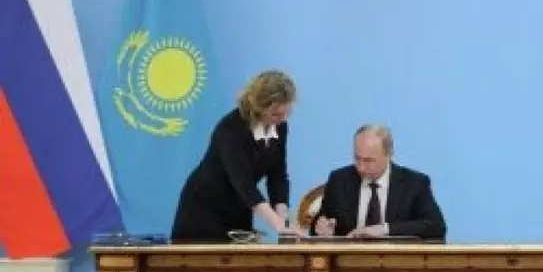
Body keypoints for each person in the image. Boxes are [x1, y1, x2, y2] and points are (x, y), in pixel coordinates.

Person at [170, 70, 302, 241]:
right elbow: (244, 184)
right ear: (259, 107)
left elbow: (278, 176)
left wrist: (284, 221)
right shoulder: (230, 129)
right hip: (204, 210)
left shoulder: (280, 126)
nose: (282, 119)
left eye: (286, 113)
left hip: (240, 207)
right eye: (276, 114)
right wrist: (277, 225)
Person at [311, 124, 446, 240]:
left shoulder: (414, 183)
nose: (361, 167)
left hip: (396, 260)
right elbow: (319, 222)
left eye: (369, 160)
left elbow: (436, 226)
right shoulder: (339, 180)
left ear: (389, 154)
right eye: (357, 158)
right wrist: (322, 227)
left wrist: (384, 229)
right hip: (349, 259)